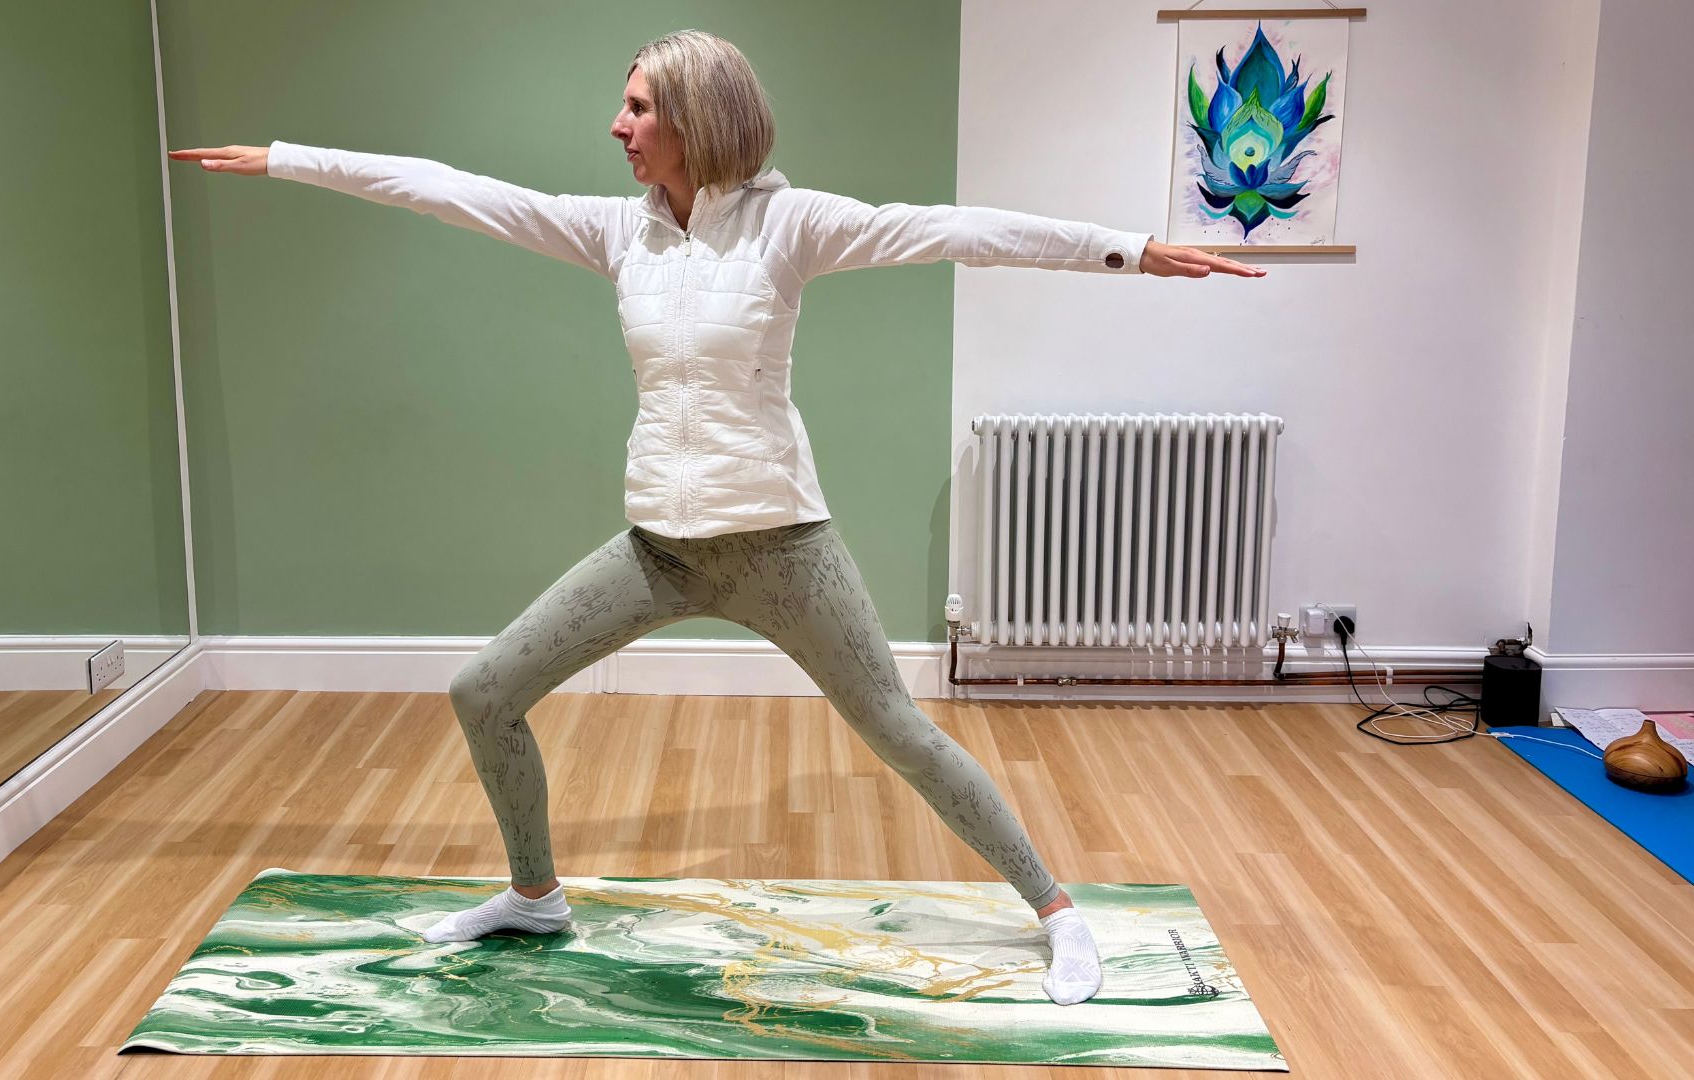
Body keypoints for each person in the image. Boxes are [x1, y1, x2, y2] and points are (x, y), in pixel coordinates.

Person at [171, 29, 1263, 1007]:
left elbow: (950, 229)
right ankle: (536, 893)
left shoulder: (788, 228)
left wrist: (1126, 249)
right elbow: (449, 189)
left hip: (780, 545)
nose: (619, 125)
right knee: (483, 690)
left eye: (639, 107)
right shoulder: (616, 233)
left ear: (699, 117)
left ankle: (1058, 913)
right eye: (626, 105)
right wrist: (287, 159)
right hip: (657, 548)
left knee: (898, 731)